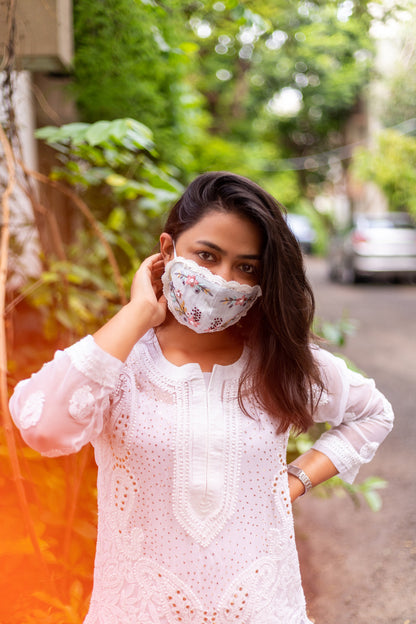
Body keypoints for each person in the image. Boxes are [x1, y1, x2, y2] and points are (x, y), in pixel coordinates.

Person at [10, 172, 394, 624]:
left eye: (246, 267)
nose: (222, 280)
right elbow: (43, 427)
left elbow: (373, 413)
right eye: (207, 256)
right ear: (168, 250)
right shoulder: (120, 360)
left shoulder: (279, 362)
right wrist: (136, 313)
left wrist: (293, 482)